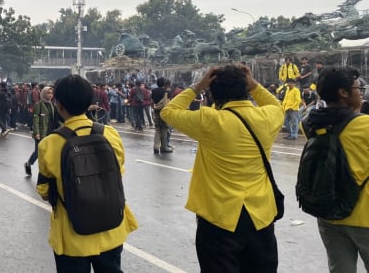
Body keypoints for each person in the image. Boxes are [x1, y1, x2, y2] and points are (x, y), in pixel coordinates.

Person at [161, 64, 284, 273]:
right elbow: (277, 106)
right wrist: (254, 85)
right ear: (246, 89)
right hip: (260, 215)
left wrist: (197, 86)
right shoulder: (268, 117)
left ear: (212, 92)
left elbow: (168, 111)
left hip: (219, 216)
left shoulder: (209, 119)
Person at [36, 74, 138, 272]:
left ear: (59, 105)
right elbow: (119, 171)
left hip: (72, 234)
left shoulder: (49, 144)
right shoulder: (110, 133)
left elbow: (44, 191)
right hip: (111, 227)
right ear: (89, 102)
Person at [301, 66, 369, 273]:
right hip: (364, 216)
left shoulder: (309, 123)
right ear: (343, 92)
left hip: (329, 213)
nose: (361, 93)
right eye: (358, 88)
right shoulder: (364, 125)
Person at [24, 86, 57, 176]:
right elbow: (36, 120)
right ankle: (28, 164)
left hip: (50, 132)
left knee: (50, 151)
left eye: (51, 93)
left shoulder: (52, 105)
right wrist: (36, 132)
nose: (50, 95)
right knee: (38, 152)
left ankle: (46, 170)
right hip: (41, 132)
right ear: (43, 94)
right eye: (48, 93)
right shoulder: (38, 105)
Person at [151, 77, 171, 154]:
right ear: (164, 83)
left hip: (156, 112)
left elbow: (152, 101)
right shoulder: (166, 92)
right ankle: (163, 147)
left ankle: (156, 147)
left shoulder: (154, 91)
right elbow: (168, 103)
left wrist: (153, 108)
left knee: (157, 129)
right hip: (164, 112)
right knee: (165, 129)